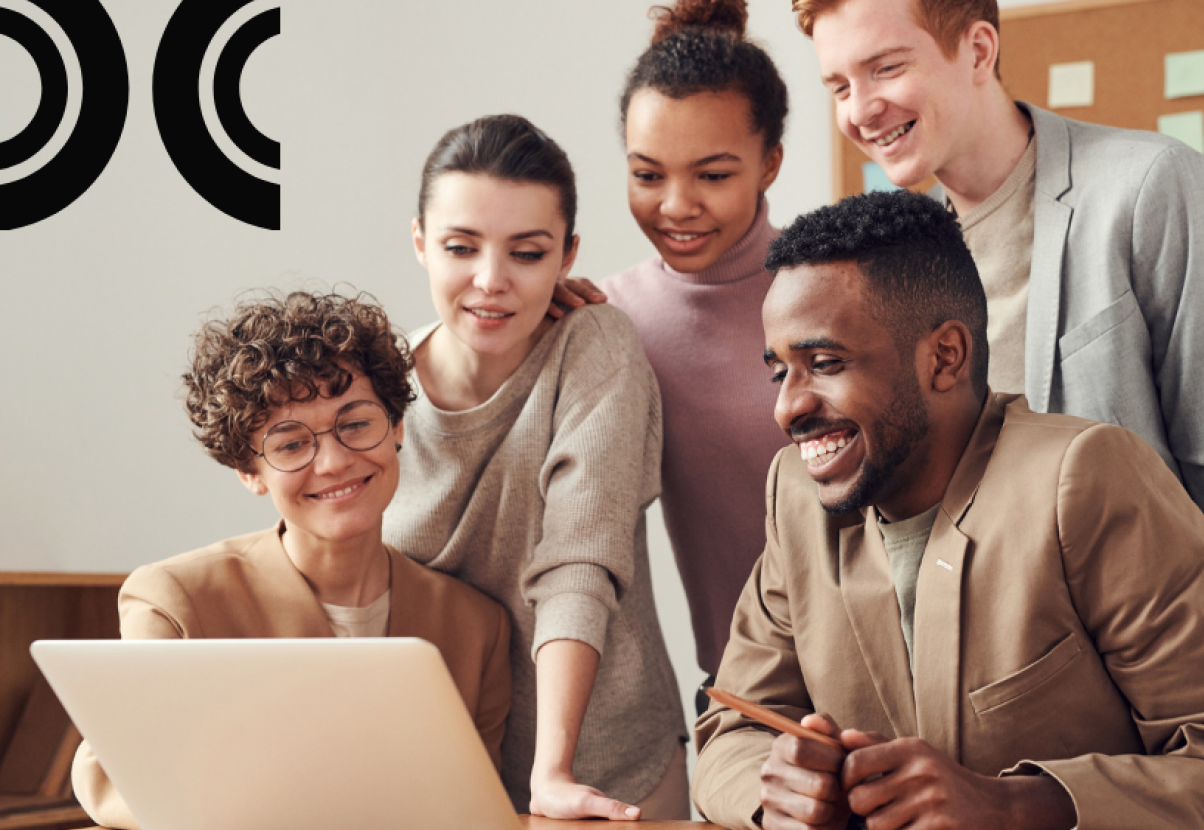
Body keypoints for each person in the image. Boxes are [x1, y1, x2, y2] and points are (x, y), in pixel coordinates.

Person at [693, 192, 1204, 830]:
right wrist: (777, 793)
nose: (787, 408)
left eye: (825, 364)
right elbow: (729, 728)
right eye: (778, 372)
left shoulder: (1084, 480)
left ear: (945, 357)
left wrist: (1012, 806)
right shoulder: (796, 494)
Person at [792, 0, 1204, 656]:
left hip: (1166, 686)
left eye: (885, 68)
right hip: (990, 704)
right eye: (839, 86)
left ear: (979, 51)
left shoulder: (1149, 188)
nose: (860, 109)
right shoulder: (891, 268)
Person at [72, 292, 513, 830]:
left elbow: (475, 812)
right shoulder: (175, 601)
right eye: (289, 444)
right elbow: (114, 781)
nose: (333, 462)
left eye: (356, 423)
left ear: (397, 427)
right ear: (249, 472)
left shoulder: (475, 627)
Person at [381, 114, 687, 820]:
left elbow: (578, 559)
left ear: (566, 256)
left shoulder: (594, 348)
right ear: (421, 243)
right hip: (437, 773)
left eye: (526, 253)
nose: (490, 281)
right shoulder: (376, 384)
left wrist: (551, 773)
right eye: (461, 247)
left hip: (602, 769)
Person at [600, 0, 791, 714]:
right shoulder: (606, 319)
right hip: (742, 699)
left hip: (896, 682)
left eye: (711, 175)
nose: (675, 206)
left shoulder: (838, 286)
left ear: (769, 162)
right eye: (648, 176)